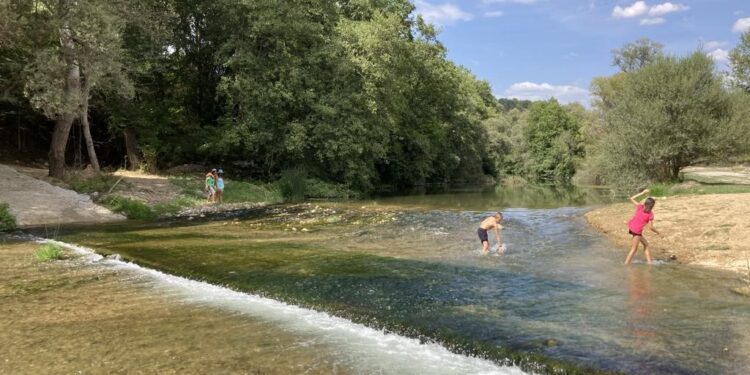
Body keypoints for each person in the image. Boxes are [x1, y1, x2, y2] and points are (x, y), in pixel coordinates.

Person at [624, 189, 660, 265]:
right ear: (653, 206)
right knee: (634, 249)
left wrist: (642, 193)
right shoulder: (650, 214)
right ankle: (626, 265)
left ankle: (649, 263)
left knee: (646, 244)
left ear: (645, 203)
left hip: (631, 227)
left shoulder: (640, 206)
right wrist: (658, 233)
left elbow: (631, 198)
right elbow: (651, 227)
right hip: (636, 231)